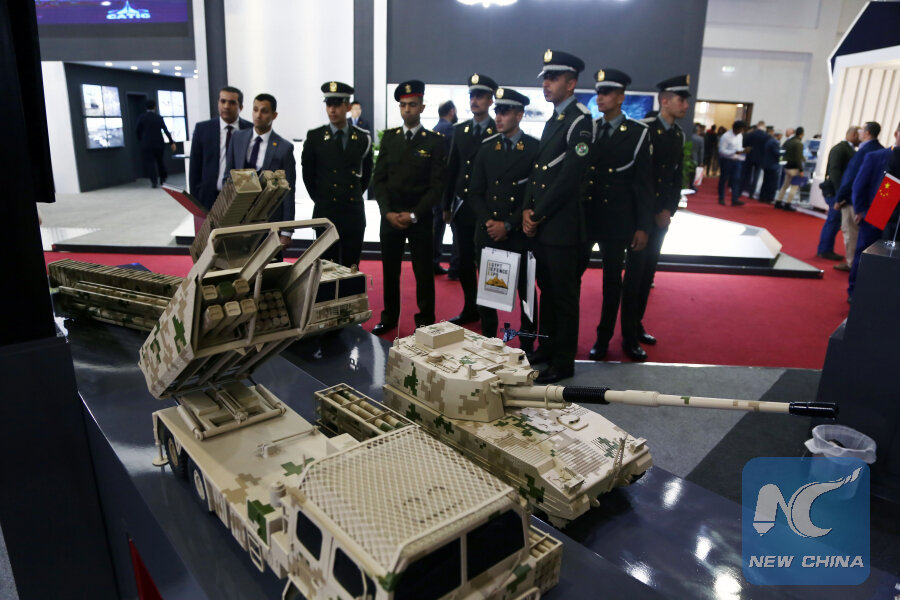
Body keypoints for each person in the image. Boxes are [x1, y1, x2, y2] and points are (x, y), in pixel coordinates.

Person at [521, 49, 593, 384]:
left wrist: (537, 212)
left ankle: (563, 361)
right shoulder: (555, 118)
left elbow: (569, 177)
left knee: (563, 297)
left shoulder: (580, 120)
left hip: (562, 228)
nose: (546, 84)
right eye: (545, 78)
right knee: (547, 292)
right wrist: (527, 209)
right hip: (545, 226)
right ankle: (547, 350)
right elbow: (539, 173)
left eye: (553, 78)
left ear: (572, 82)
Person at [582, 68, 652, 363]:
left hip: (618, 220)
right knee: (571, 278)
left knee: (614, 283)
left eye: (606, 93)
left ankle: (609, 338)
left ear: (621, 97)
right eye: (598, 92)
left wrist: (642, 226)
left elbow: (645, 185)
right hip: (587, 218)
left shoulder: (637, 133)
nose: (600, 98)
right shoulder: (589, 129)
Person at [370, 81, 447, 335]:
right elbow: (378, 179)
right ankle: (389, 317)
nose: (407, 110)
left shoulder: (435, 142)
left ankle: (425, 320)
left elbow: (437, 186)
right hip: (391, 216)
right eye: (403, 105)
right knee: (390, 271)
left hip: (420, 217)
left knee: (424, 272)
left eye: (412, 105)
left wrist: (414, 214)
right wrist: (387, 212)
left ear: (422, 107)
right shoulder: (390, 138)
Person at [467, 87, 539, 343]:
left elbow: (533, 196)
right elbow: (474, 192)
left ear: (519, 115)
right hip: (489, 233)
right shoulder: (486, 149)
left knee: (526, 292)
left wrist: (508, 224)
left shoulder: (533, 149)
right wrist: (490, 223)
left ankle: (529, 343)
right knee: (489, 296)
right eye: (497, 111)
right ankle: (489, 342)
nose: (498, 117)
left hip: (519, 233)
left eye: (505, 112)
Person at [631, 74, 690, 356]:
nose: (685, 105)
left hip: (661, 218)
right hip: (641, 219)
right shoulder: (645, 130)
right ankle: (628, 334)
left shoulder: (678, 134)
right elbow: (639, 179)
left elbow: (676, 177)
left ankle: (636, 323)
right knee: (634, 276)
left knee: (647, 274)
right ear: (664, 101)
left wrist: (669, 209)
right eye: (681, 100)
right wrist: (651, 213)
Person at [443, 73, 498, 326]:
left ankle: (489, 314)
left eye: (480, 96)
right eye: (472, 96)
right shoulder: (460, 130)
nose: (475, 100)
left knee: (487, 263)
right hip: (463, 206)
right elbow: (451, 167)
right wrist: (446, 205)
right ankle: (470, 307)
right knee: (464, 260)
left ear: (490, 100)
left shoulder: (497, 129)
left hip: (488, 209)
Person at [301, 81, 373, 268]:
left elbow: (365, 176)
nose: (332, 110)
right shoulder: (315, 137)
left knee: (351, 267)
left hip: (352, 211)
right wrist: (322, 197)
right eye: (329, 104)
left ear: (348, 106)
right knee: (326, 267)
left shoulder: (362, 137)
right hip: (326, 210)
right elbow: (308, 174)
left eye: (337, 104)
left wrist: (351, 194)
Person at [225, 93, 296, 249]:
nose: (258, 115)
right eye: (255, 109)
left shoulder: (284, 148)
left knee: (271, 268)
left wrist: (287, 232)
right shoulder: (237, 138)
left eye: (264, 111)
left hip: (269, 220)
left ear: (274, 115)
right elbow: (227, 177)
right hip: (239, 217)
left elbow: (289, 192)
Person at [847, 122, 899, 299]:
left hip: (896, 218)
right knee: (865, 254)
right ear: (896, 133)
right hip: (877, 211)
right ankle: (855, 292)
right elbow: (859, 185)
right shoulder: (877, 156)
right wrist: (860, 210)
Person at [189, 86, 252, 220]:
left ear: (241, 106)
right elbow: (195, 166)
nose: (226, 106)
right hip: (208, 198)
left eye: (232, 102)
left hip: (240, 198)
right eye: (223, 101)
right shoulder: (203, 129)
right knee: (208, 239)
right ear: (218, 103)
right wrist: (196, 199)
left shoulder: (250, 129)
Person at [834, 122, 883, 273]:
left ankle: (852, 264)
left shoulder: (864, 152)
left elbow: (852, 178)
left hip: (853, 201)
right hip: (873, 203)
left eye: (862, 129)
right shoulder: (882, 150)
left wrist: (840, 197)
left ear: (867, 133)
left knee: (851, 233)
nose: (859, 132)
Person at [815, 126, 859, 261]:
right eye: (859, 134)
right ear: (852, 135)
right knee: (833, 220)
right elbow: (835, 171)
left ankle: (825, 249)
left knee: (834, 220)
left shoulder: (848, 149)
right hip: (834, 191)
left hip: (838, 191)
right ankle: (825, 250)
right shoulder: (840, 149)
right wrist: (840, 194)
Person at [432, 100, 457, 275]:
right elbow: (454, 162)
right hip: (450, 186)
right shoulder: (452, 130)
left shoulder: (434, 129)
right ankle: (456, 266)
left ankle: (433, 261)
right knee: (456, 227)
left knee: (436, 226)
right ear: (452, 111)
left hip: (435, 185)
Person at [134, 99, 176, 188]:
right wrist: (171, 142)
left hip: (147, 144)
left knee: (150, 163)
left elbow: (137, 130)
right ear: (154, 107)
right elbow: (165, 130)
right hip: (159, 144)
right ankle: (162, 179)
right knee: (160, 161)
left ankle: (154, 181)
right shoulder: (158, 117)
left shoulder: (142, 117)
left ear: (146, 107)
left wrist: (141, 140)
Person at [717, 120, 747, 206]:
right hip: (726, 160)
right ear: (736, 129)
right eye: (741, 129)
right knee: (724, 179)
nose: (742, 131)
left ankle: (735, 199)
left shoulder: (740, 136)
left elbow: (739, 147)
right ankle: (721, 198)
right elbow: (721, 151)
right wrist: (734, 152)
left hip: (737, 160)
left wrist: (743, 151)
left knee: (736, 179)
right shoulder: (726, 136)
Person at [775, 127, 804, 210]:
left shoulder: (788, 142)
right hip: (794, 168)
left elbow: (782, 153)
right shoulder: (799, 143)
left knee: (785, 185)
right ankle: (788, 204)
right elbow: (798, 158)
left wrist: (782, 163)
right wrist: (801, 170)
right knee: (794, 187)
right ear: (802, 134)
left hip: (787, 166)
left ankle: (778, 201)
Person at [741, 120, 767, 198]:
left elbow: (744, 144)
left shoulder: (751, 134)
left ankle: (743, 190)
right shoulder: (766, 136)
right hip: (760, 158)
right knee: (756, 176)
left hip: (750, 156)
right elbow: (766, 148)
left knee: (746, 174)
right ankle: (751, 193)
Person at [759, 127, 782, 204]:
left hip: (767, 165)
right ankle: (769, 198)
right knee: (772, 183)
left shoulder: (769, 141)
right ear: (778, 135)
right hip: (772, 165)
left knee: (766, 182)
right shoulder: (774, 142)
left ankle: (762, 197)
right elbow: (777, 153)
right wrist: (784, 154)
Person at [691, 123, 704, 188]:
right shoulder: (700, 139)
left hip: (686, 156)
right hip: (695, 158)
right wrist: (701, 161)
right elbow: (701, 151)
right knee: (693, 173)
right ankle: (692, 185)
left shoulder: (687, 136)